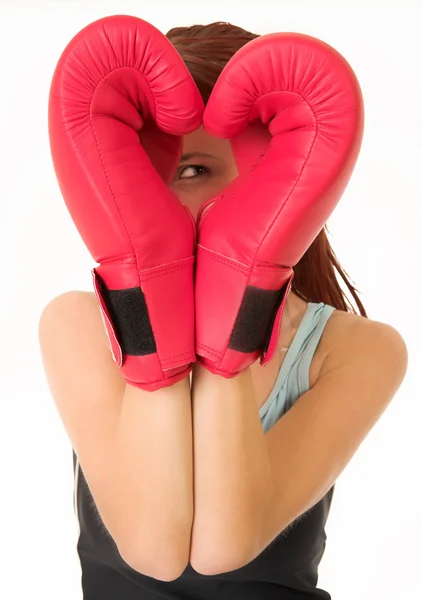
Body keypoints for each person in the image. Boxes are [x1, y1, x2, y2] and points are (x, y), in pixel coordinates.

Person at [39, 16, 408, 599]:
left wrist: (238, 284)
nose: (154, 198)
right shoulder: (78, 326)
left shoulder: (355, 349)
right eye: (140, 171)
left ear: (276, 178)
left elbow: (221, 547)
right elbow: (152, 548)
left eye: (192, 170)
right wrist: (147, 289)